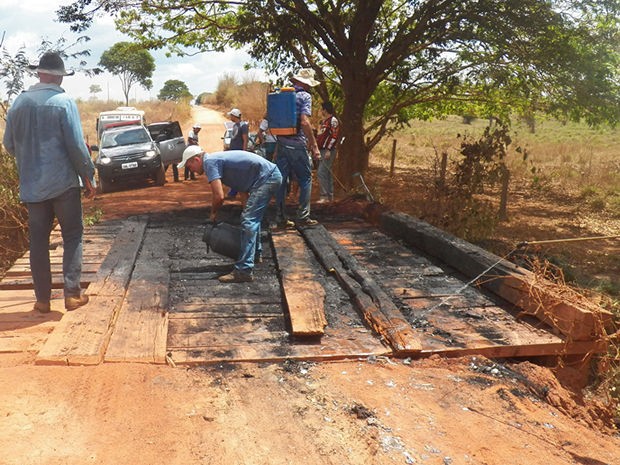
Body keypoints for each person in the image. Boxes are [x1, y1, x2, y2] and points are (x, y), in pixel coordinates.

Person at [2, 51, 96, 313]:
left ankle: (42, 300)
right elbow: (77, 147)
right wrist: (88, 176)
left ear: (38, 73)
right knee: (73, 235)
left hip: (32, 187)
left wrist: (29, 158)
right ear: (59, 77)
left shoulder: (18, 104)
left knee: (38, 242)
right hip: (64, 184)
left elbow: (9, 145)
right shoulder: (64, 102)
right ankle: (72, 295)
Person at [177, 146, 282, 283]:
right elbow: (243, 189)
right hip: (268, 177)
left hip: (267, 177)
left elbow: (219, 196)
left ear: (197, 159)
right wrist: (247, 213)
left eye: (190, 166)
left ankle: (244, 271)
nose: (191, 170)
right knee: (250, 220)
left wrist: (213, 214)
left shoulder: (210, 163)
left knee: (249, 221)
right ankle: (255, 255)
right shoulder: (219, 162)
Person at [274, 68, 321, 227]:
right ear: (306, 83)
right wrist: (314, 145)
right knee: (306, 178)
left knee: (281, 180)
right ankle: (303, 216)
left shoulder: (283, 97)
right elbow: (304, 122)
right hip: (297, 144)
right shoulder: (304, 96)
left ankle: (280, 217)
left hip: (281, 143)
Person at [316, 101, 340, 203]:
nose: (321, 111)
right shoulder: (324, 121)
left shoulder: (333, 121)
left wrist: (329, 149)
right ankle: (330, 196)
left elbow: (334, 136)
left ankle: (324, 196)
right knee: (327, 172)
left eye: (322, 109)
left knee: (321, 172)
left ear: (325, 110)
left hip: (328, 150)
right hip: (322, 149)